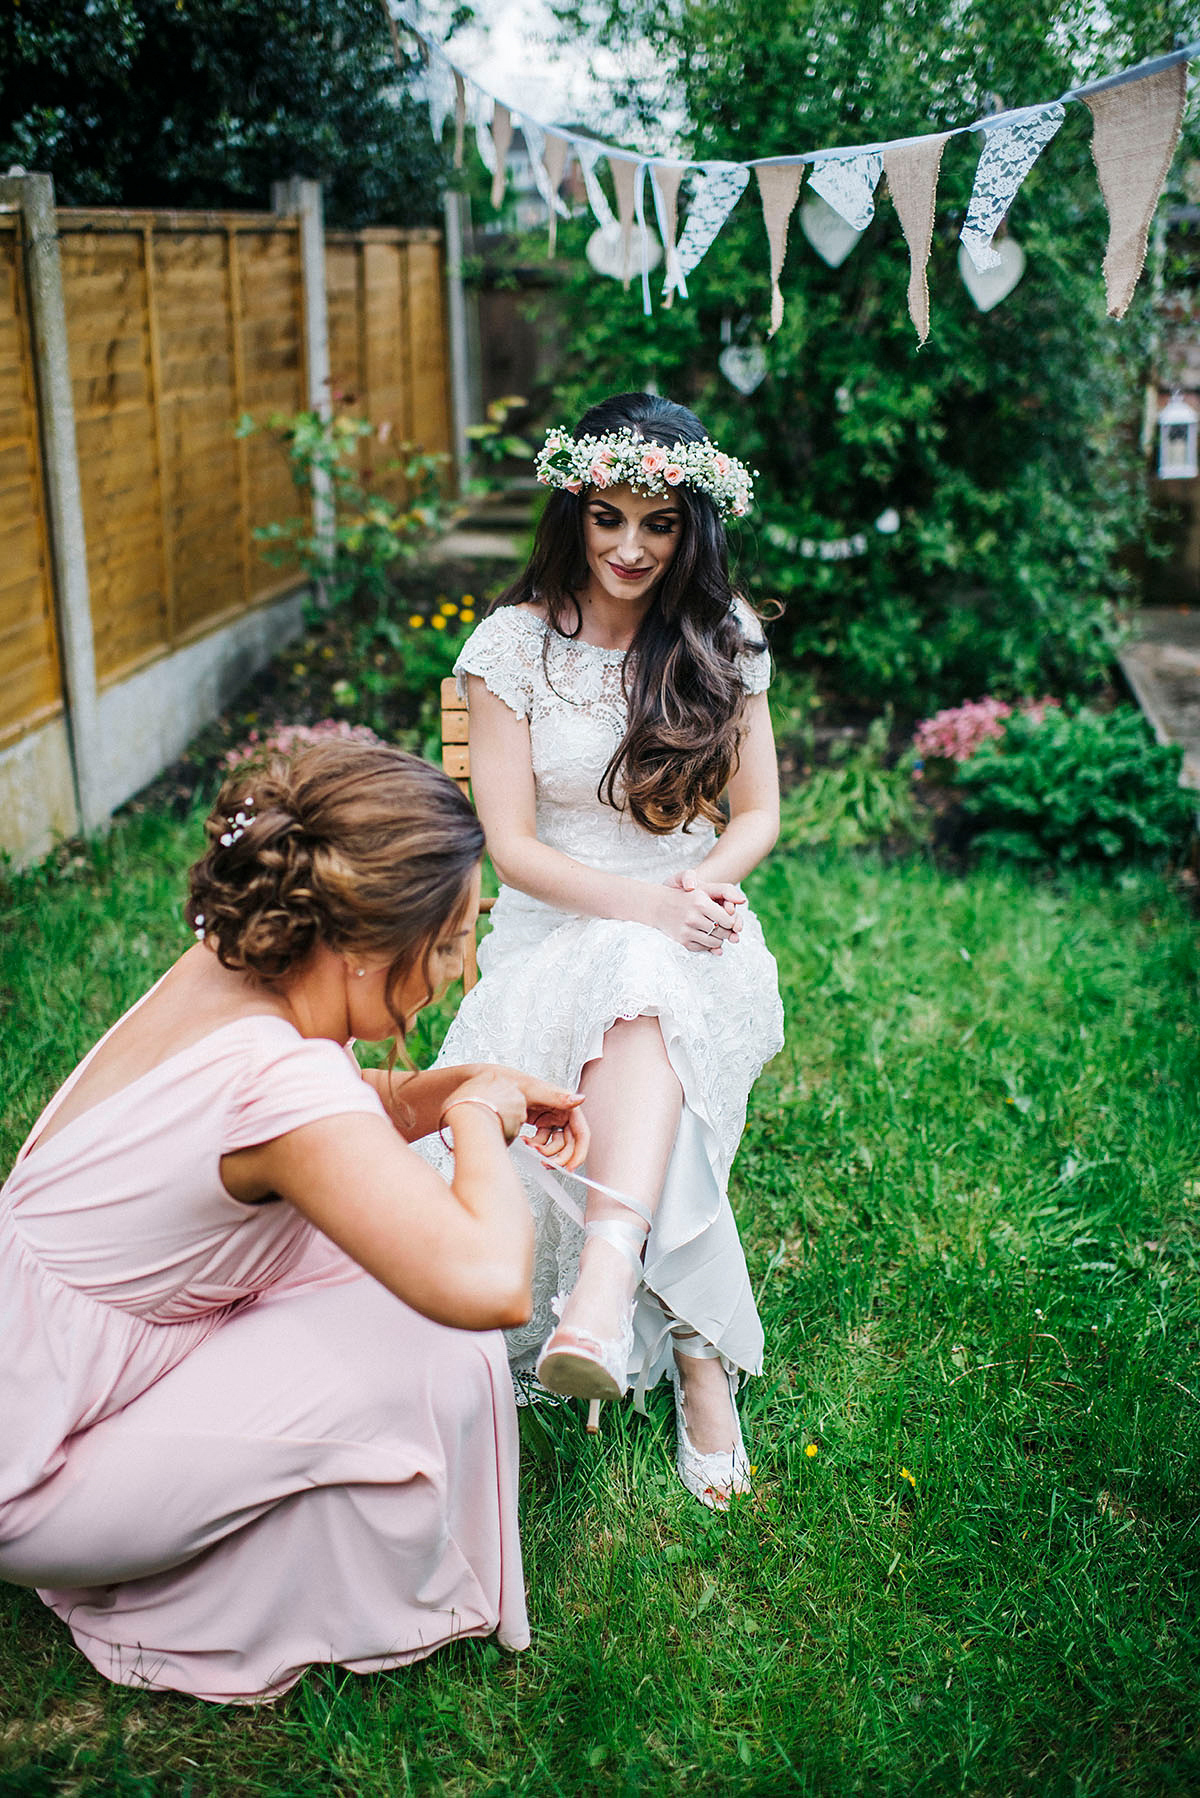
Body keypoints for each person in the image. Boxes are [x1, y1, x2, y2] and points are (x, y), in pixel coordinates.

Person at [0, 740, 588, 1703]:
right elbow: (489, 1284)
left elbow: (332, 1119)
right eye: (446, 942)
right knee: (439, 1336)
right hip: (35, 1469)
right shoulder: (279, 1084)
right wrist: (480, 1121)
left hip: (42, 1370)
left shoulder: (230, 968)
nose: (459, 971)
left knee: (386, 1288)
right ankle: (189, 1596)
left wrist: (447, 1091)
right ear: (358, 947)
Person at [421, 392, 785, 1509]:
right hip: (553, 927)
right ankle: (694, 1352)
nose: (631, 548)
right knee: (641, 984)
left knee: (650, 985)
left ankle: (609, 1290)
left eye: (660, 523)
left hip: (690, 917)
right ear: (574, 510)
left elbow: (759, 816)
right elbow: (512, 849)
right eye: (609, 518)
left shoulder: (725, 640)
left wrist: (694, 889)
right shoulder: (512, 646)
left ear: (694, 528)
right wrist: (648, 913)